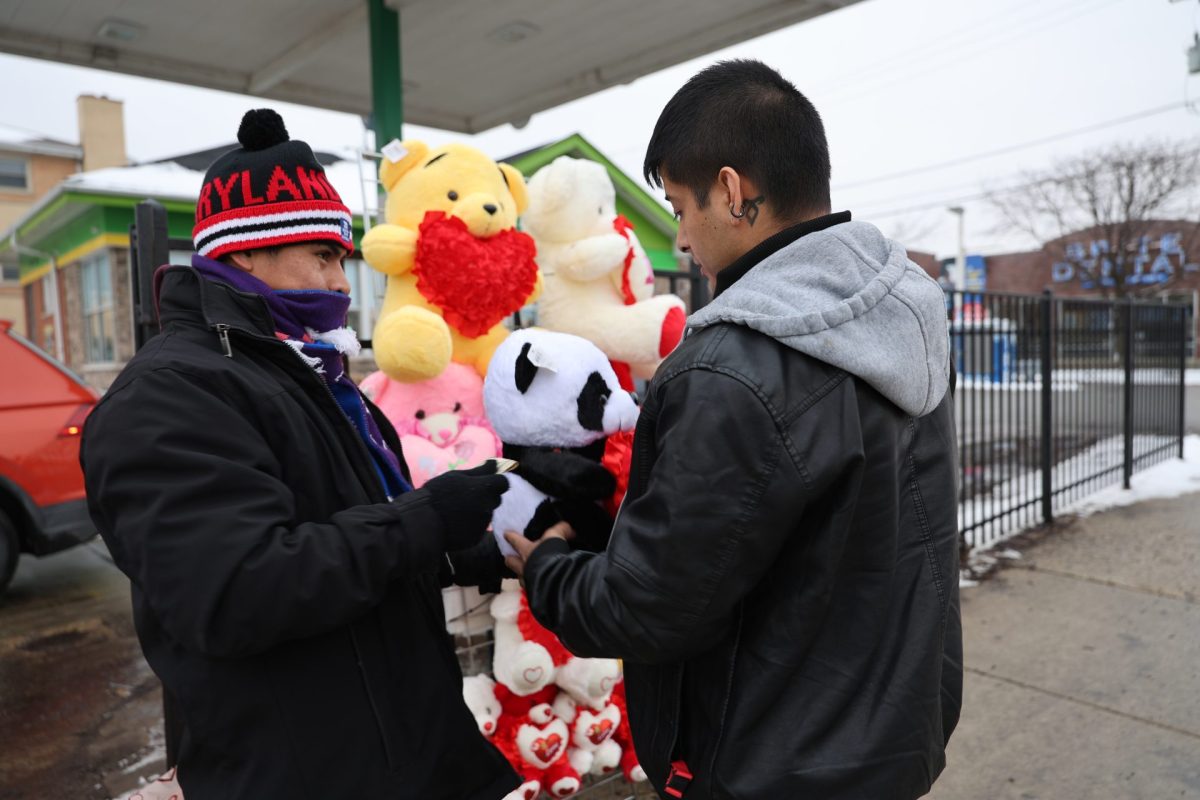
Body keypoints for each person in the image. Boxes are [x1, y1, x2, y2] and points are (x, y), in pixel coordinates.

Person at [505, 60, 963, 800]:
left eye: (681, 206)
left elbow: (648, 605)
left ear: (731, 190)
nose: (681, 235)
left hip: (768, 764)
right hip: (892, 740)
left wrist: (549, 569)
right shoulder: (906, 311)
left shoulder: (731, 367)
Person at [81, 109, 519, 800]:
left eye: (341, 259)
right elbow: (237, 590)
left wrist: (470, 552)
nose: (342, 285)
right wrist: (424, 520)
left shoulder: (310, 373)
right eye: (321, 256)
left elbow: (346, 534)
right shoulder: (168, 395)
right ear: (245, 252)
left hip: (399, 757)